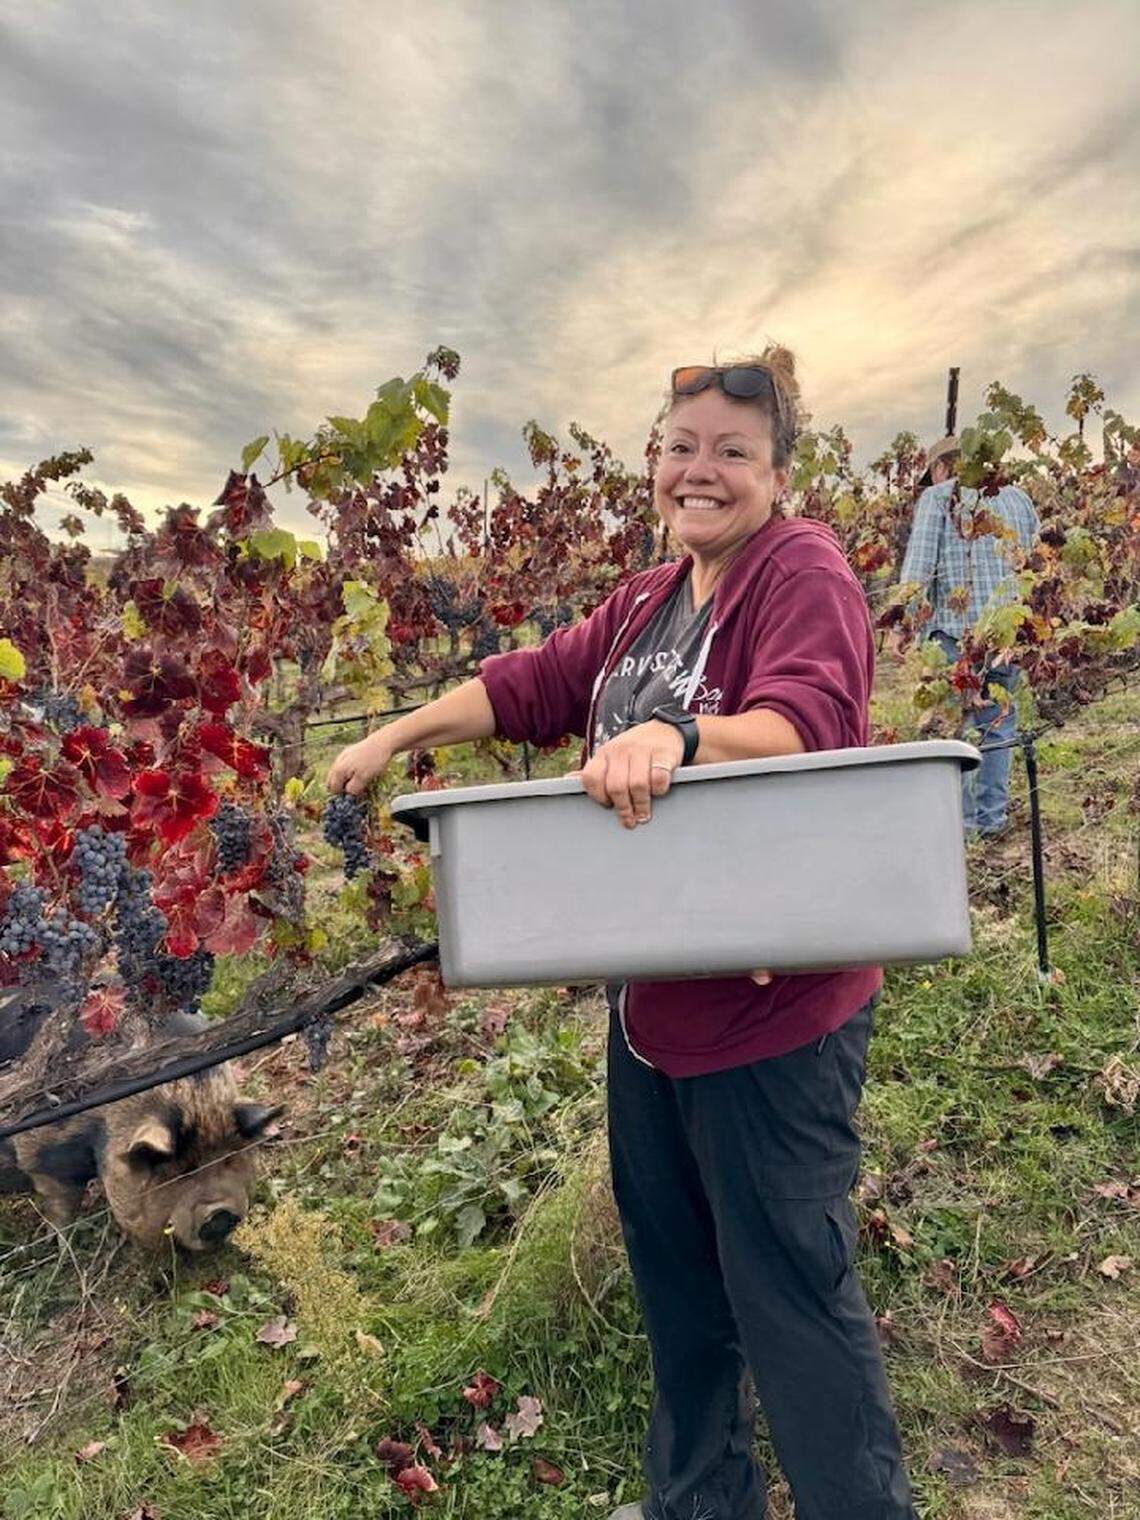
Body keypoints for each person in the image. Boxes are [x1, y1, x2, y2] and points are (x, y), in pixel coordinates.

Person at [328, 348, 917, 1520]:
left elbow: (808, 722)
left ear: (779, 475)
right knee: (681, 1283)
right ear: (656, 459)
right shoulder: (649, 602)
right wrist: (397, 735)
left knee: (790, 1294)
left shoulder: (800, 569)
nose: (701, 470)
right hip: (653, 1009)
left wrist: (682, 739)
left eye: (733, 452)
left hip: (770, 1012)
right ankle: (701, 1499)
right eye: (682, 445)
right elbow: (531, 683)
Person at [899, 436, 1040, 840]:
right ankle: (989, 819)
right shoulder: (1018, 499)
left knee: (953, 729)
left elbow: (918, 570)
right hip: (1007, 636)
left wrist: (903, 624)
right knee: (998, 723)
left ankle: (956, 825)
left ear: (941, 468)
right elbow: (1033, 566)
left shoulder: (938, 498)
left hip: (955, 638)